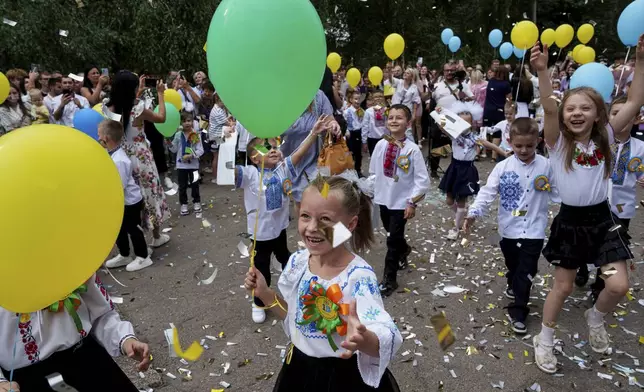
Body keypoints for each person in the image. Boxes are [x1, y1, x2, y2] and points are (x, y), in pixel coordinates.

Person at [529, 35, 644, 374]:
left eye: (585, 108)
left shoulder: (606, 137)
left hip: (602, 225)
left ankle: (595, 317)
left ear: (598, 115)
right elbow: (549, 106)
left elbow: (636, 99)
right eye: (571, 108)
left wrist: (640, 59)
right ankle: (545, 339)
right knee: (563, 286)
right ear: (564, 116)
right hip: (571, 224)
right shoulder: (557, 144)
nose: (577, 113)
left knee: (618, 285)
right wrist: (543, 72)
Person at [243, 175, 402, 391]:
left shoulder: (357, 277)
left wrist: (364, 340)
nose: (312, 228)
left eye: (325, 219)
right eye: (305, 216)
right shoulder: (299, 262)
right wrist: (265, 294)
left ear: (350, 224)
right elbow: (294, 318)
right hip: (299, 370)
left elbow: (384, 334)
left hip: (342, 378)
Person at [236, 115, 329, 324]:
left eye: (272, 145)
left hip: (280, 229)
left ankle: (294, 287)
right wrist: (226, 141)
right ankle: (258, 301)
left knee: (286, 258)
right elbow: (224, 174)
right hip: (260, 235)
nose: (270, 149)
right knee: (261, 268)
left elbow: (299, 153)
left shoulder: (282, 168)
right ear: (253, 158)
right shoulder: (250, 174)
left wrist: (313, 133)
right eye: (263, 148)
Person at [465, 118, 553, 334]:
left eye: (529, 146)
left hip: (534, 229)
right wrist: (474, 212)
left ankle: (519, 311)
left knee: (527, 270)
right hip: (509, 229)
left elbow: (561, 189)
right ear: (509, 142)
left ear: (538, 142)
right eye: (518, 145)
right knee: (514, 265)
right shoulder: (502, 168)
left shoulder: (547, 166)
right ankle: (512, 281)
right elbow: (487, 191)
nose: (524, 150)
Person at [0, 275, 150, 391]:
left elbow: (99, 311)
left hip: (86, 358)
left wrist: (125, 340)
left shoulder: (68, 258)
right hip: (24, 379)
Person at [575, 95, 644, 300]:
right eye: (616, 113)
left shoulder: (641, 148)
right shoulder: (597, 142)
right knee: (585, 241)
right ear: (608, 117)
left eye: (627, 114)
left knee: (611, 250)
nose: (622, 118)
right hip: (593, 203)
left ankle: (599, 284)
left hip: (622, 207)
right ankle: (582, 268)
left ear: (636, 119)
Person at [104, 71, 171, 248]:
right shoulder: (139, 109)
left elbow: (124, 113)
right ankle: (156, 236)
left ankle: (136, 243)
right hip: (142, 157)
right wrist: (161, 94)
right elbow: (161, 118)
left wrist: (138, 92)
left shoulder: (108, 108)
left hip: (121, 155)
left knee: (132, 198)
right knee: (150, 194)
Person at [369, 104, 429, 296]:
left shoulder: (412, 150)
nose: (394, 121)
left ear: (408, 123)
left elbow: (422, 180)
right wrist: (367, 191)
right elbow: (373, 172)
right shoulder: (380, 145)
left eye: (399, 118)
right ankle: (404, 250)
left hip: (401, 202)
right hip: (383, 199)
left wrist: (412, 202)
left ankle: (389, 279)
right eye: (391, 117)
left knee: (392, 239)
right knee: (391, 233)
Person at [438, 101, 508, 241]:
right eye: (460, 122)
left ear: (472, 123)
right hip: (454, 168)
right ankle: (462, 214)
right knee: (449, 200)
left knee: (462, 200)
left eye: (467, 123)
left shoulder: (475, 138)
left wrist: (505, 153)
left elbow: (491, 146)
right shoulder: (454, 135)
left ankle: (456, 228)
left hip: (467, 170)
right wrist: (441, 114)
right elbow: (442, 127)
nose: (463, 126)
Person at [98, 120, 153, 272]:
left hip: (129, 201)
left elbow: (119, 185)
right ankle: (124, 253)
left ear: (106, 138)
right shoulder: (110, 154)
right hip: (119, 201)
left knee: (133, 228)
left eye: (99, 134)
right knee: (118, 228)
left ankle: (143, 256)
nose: (97, 137)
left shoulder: (119, 160)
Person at [280, 90, 339, 207]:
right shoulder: (280, 95)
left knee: (325, 198)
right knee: (303, 202)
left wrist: (333, 125)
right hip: (293, 162)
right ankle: (309, 224)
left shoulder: (317, 95)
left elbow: (329, 119)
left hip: (318, 161)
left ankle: (330, 225)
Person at [428, 62, 474, 178]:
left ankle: (455, 170)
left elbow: (473, 98)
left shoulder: (462, 85)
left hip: (457, 121)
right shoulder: (437, 85)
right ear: (443, 72)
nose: (449, 73)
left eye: (452, 70)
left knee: (456, 146)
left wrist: (464, 96)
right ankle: (434, 169)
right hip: (441, 120)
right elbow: (429, 102)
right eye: (447, 70)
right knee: (438, 146)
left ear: (455, 71)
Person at [170, 112, 204, 216]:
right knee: (182, 186)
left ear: (192, 122)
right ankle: (184, 204)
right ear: (181, 123)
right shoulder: (178, 135)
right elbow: (174, 149)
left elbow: (200, 150)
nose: (187, 123)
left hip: (193, 165)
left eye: (189, 121)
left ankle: (196, 202)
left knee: (195, 184)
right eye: (184, 121)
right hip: (181, 166)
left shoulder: (195, 134)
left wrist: (191, 155)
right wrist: (169, 144)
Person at [483, 66, 512, 161]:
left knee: (485, 130)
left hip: (488, 109)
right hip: (499, 109)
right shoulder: (506, 84)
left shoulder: (491, 81)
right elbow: (509, 98)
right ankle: (494, 155)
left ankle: (482, 152)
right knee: (497, 133)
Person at [207, 93, 233, 183]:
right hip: (216, 137)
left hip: (218, 135)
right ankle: (216, 177)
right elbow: (228, 123)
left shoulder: (219, 109)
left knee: (219, 156)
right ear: (219, 100)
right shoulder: (217, 111)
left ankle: (220, 175)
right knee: (217, 156)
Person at [361, 90, 389, 156]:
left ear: (384, 98)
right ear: (372, 99)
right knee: (374, 158)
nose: (378, 98)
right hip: (373, 139)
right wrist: (364, 141)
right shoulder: (368, 111)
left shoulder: (387, 110)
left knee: (385, 157)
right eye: (376, 97)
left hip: (385, 138)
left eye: (380, 96)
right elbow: (365, 126)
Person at [344, 90, 365, 176]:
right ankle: (350, 170)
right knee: (351, 152)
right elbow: (344, 123)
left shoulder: (362, 111)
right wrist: (346, 132)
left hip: (359, 132)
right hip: (351, 133)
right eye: (355, 99)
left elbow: (363, 122)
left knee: (359, 153)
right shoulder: (347, 111)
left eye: (359, 99)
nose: (357, 101)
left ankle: (358, 170)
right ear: (351, 100)